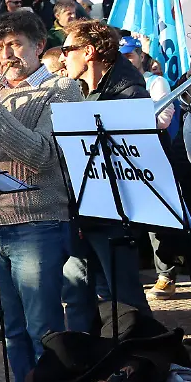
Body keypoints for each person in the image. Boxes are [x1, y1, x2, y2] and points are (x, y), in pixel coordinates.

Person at [0, 10, 83, 382]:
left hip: (37, 221)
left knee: (42, 329)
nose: (6, 55)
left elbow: (41, 156)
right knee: (11, 329)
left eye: (15, 44)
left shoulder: (61, 90)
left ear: (38, 46)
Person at [58, 19, 157, 331]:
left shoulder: (129, 93)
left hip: (114, 215)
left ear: (88, 52)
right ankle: (83, 354)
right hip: (82, 210)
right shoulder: (80, 91)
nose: (62, 58)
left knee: (125, 298)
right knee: (76, 294)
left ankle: (144, 354)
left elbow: (140, 161)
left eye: (66, 50)